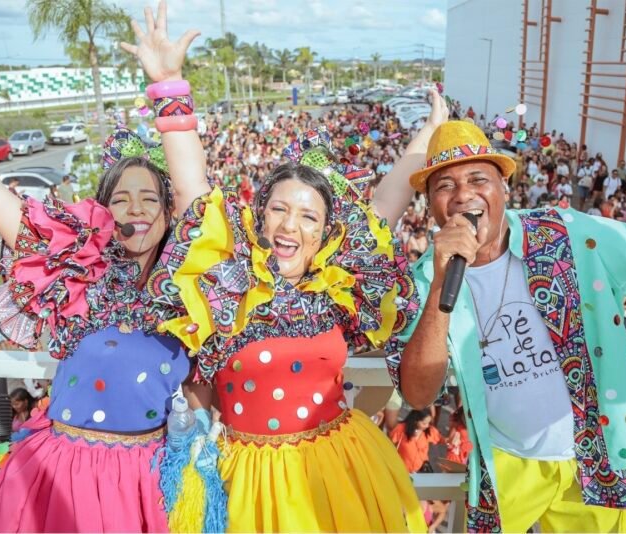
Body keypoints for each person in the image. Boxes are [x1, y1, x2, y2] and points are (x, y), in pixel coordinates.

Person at [124, 3, 434, 529]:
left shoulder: (338, 286)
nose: (291, 225)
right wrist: (169, 85)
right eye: (279, 209)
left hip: (339, 470)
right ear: (260, 215)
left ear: (326, 233)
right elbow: (193, 191)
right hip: (249, 479)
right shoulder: (227, 282)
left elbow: (386, 203)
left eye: (309, 216)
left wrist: (429, 134)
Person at [0, 16, 200, 531]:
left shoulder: (191, 288)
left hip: (147, 486)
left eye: (149, 198)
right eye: (121, 198)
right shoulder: (74, 273)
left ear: (168, 212)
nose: (136, 209)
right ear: (103, 212)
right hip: (60, 478)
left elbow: (197, 196)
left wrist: (169, 87)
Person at [386, 119, 626, 532]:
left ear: (504, 187)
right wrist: (439, 286)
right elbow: (418, 393)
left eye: (478, 179)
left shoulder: (567, 233)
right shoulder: (422, 280)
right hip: (505, 460)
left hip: (596, 457)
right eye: (444, 185)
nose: (463, 194)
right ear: (430, 204)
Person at [389, 409, 445, 473]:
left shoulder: (430, 431)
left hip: (421, 470)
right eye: (424, 423)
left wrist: (449, 441)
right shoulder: (400, 429)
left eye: (428, 423)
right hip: (402, 470)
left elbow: (441, 439)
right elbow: (389, 444)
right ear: (415, 421)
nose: (427, 426)